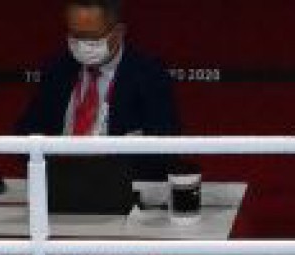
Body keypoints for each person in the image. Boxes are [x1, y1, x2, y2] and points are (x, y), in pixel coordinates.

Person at [15, 0, 181, 181]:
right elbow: (26, 133)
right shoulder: (57, 69)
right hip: (59, 182)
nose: (82, 45)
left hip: (123, 185)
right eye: (75, 36)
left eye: (91, 38)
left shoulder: (149, 75)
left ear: (118, 33)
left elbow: (164, 151)